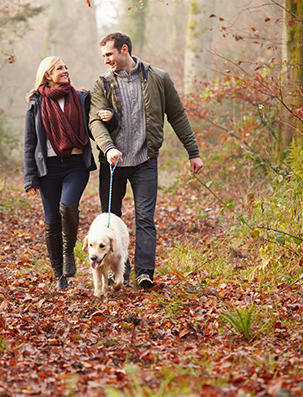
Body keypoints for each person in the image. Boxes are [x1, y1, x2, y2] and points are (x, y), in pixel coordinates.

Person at [89, 32, 204, 290]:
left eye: (109, 54)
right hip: (113, 163)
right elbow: (94, 122)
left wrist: (193, 151)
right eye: (104, 56)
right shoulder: (102, 84)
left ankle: (144, 273)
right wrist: (107, 148)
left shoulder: (158, 78)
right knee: (110, 220)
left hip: (145, 161)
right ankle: (115, 273)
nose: (106, 60)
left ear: (124, 50)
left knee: (145, 219)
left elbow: (177, 115)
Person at [24, 56, 115, 290]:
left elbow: (97, 127)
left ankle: (69, 251)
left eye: (66, 67)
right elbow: (30, 142)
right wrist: (30, 177)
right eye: (59, 68)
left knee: (68, 205)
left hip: (75, 164)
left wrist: (110, 120)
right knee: (51, 221)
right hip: (48, 170)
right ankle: (59, 276)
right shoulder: (36, 103)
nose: (65, 71)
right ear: (47, 75)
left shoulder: (81, 98)